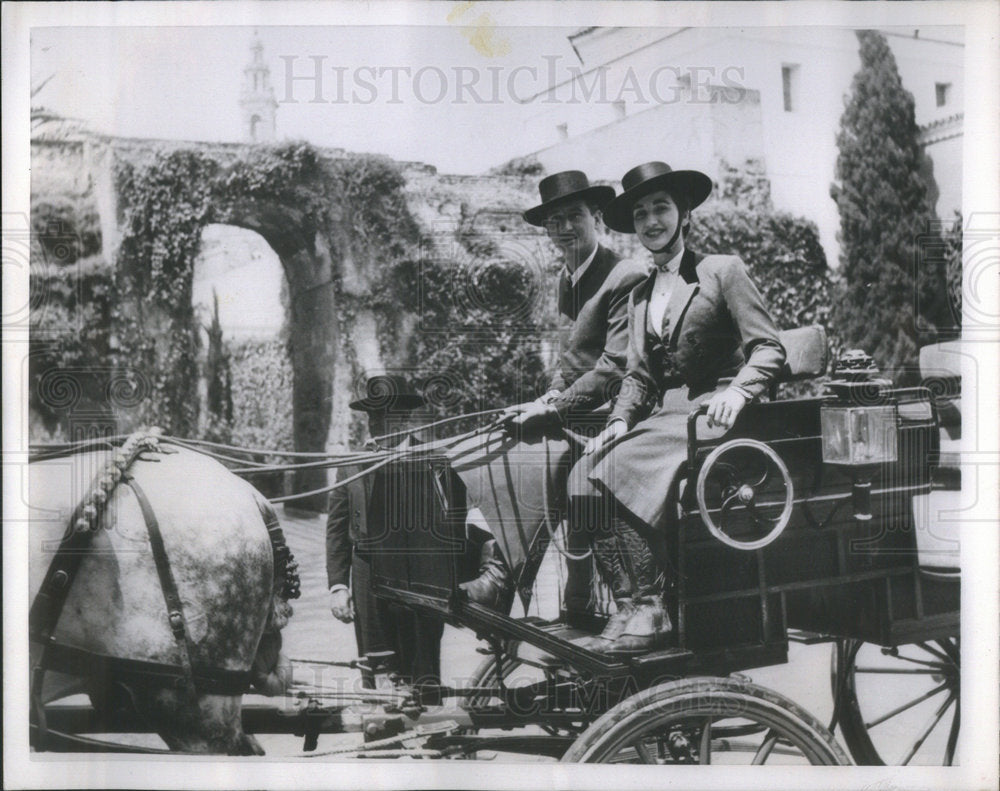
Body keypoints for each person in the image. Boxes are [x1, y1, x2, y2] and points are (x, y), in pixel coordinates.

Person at [567, 161, 786, 654]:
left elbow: (769, 348)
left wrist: (738, 391)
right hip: (665, 416)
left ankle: (653, 606)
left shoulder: (721, 270)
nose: (651, 221)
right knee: (582, 474)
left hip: (718, 413)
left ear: (684, 213)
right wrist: (620, 420)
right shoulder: (641, 292)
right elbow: (639, 376)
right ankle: (626, 605)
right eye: (640, 213)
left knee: (619, 467)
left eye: (661, 207)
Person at [458, 170, 649, 614]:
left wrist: (554, 411)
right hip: (579, 410)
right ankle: (497, 577)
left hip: (619, 412)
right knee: (494, 443)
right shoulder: (566, 279)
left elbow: (614, 367)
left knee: (541, 451)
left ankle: (510, 582)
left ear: (596, 217)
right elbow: (569, 366)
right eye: (554, 221)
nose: (564, 228)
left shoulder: (624, 276)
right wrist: (545, 398)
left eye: (574, 216)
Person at [326, 374, 444, 689]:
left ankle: (432, 729)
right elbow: (336, 529)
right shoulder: (351, 464)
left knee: (421, 659)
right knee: (376, 660)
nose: (375, 424)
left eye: (384, 415)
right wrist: (339, 586)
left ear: (404, 418)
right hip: (368, 573)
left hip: (419, 576)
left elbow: (452, 524)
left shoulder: (433, 459)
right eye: (372, 416)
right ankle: (381, 725)